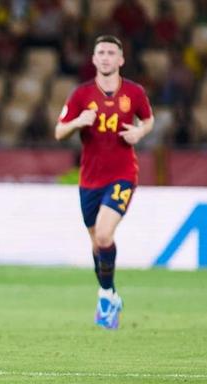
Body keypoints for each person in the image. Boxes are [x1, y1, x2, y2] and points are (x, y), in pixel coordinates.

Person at [54, 35, 154, 330]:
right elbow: (59, 131)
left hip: (123, 175)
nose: (106, 57)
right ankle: (109, 294)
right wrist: (77, 122)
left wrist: (140, 133)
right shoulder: (81, 95)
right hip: (90, 180)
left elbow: (148, 119)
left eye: (112, 52)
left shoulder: (134, 93)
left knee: (103, 236)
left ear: (121, 59)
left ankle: (105, 296)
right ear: (94, 59)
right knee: (97, 245)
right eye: (101, 52)